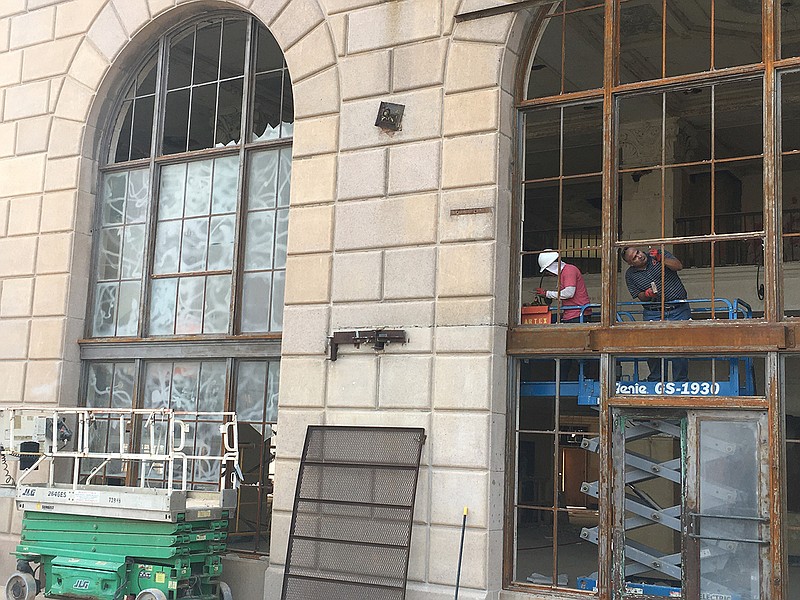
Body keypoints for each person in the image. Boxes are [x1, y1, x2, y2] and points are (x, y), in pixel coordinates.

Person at [621, 246, 689, 382]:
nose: (639, 256)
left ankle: (680, 381)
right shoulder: (630, 275)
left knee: (680, 346)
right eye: (634, 257)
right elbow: (639, 296)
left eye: (638, 252)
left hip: (678, 308)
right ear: (630, 263)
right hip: (653, 312)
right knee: (653, 347)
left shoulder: (657, 254)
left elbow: (678, 266)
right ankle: (656, 380)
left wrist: (660, 258)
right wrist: (647, 294)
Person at [536, 251, 592, 324]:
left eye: (548, 270)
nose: (549, 273)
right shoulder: (564, 272)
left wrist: (547, 293)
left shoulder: (569, 271)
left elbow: (569, 293)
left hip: (577, 314)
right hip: (572, 313)